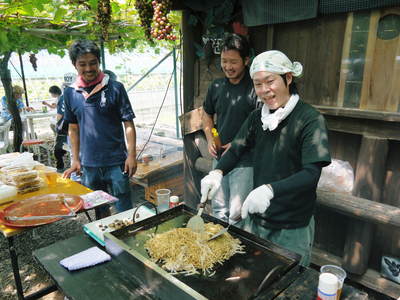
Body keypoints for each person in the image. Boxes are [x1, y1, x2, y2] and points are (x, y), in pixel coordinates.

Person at [200, 50, 331, 266]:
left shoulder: (310, 119)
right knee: (253, 275)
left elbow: (311, 173)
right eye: (257, 84)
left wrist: (270, 189)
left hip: (291, 225)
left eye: (270, 81)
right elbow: (236, 149)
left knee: (287, 284)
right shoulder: (256, 118)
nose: (264, 91)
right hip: (257, 219)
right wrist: (217, 172)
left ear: (288, 78)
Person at [63, 39, 137, 220]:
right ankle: (105, 242)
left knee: (124, 206)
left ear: (99, 62)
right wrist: (75, 160)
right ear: (75, 65)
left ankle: (128, 238)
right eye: (82, 64)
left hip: (117, 162)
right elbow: (73, 129)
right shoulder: (70, 93)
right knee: (98, 209)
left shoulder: (115, 88)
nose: (88, 68)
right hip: (89, 165)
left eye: (93, 63)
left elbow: (128, 123)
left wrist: (131, 155)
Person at [202, 33, 257, 224]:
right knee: (219, 210)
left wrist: (236, 144)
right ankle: (221, 251)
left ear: (246, 60)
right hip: (219, 159)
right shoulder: (216, 86)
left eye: (233, 62)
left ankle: (238, 252)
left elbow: (261, 126)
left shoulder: (255, 88)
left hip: (245, 161)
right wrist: (209, 138)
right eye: (224, 61)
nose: (227, 66)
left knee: (237, 213)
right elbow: (207, 114)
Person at [45, 85, 68, 172]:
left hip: (64, 127)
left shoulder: (62, 99)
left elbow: (60, 115)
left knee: (57, 149)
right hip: (70, 127)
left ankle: (60, 167)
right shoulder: (65, 97)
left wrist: (57, 124)